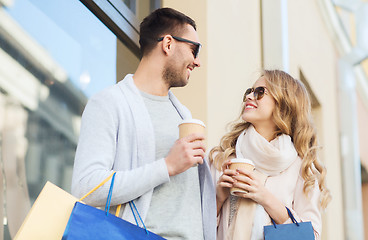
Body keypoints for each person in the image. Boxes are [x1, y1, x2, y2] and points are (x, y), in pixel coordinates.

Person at [71, 7, 216, 240]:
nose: (197, 62)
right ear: (168, 44)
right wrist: (166, 166)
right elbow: (86, 187)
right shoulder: (110, 103)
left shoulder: (183, 115)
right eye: (194, 49)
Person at [209, 69, 331, 240]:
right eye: (249, 91)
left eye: (260, 92)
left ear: (283, 104)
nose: (249, 97)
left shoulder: (301, 168)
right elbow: (195, 228)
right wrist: (218, 198)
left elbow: (311, 237)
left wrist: (265, 197)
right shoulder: (223, 158)